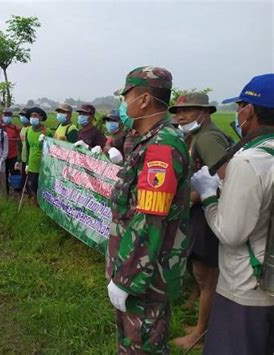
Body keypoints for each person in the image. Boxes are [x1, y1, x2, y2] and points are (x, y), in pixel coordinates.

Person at [106, 66, 190, 353]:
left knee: (141, 346)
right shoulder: (146, 141)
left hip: (145, 277)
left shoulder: (161, 146)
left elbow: (150, 217)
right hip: (136, 270)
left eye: (126, 96)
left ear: (143, 100)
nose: (123, 103)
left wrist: (127, 279)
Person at [191, 74, 274, 355]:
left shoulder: (249, 161)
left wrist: (208, 196)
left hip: (247, 288)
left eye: (239, 106)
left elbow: (231, 233)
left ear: (249, 110)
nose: (238, 114)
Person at [169, 92, 231, 349]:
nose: (180, 116)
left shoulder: (208, 139)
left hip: (208, 214)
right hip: (201, 210)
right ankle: (201, 320)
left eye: (188, 111)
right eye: (178, 112)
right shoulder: (197, 136)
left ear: (204, 113)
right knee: (201, 274)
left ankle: (201, 333)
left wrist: (194, 198)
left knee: (207, 277)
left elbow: (227, 178)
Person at [24, 107, 51, 203]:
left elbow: (52, 151)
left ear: (41, 117)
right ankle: (34, 204)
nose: (33, 117)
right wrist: (27, 163)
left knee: (43, 188)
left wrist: (46, 142)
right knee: (32, 186)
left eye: (35, 115)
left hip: (43, 167)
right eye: (31, 116)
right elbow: (27, 148)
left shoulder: (47, 132)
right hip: (32, 165)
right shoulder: (28, 131)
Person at [1, 108, 21, 194]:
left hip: (13, 155)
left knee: (15, 172)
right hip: (2, 156)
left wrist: (19, 157)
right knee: (4, 174)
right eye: (5, 115)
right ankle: (6, 191)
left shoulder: (16, 128)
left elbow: (20, 142)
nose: (7, 117)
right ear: (2, 116)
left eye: (9, 115)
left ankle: (17, 189)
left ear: (11, 117)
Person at [18, 108, 31, 192]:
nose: (22, 117)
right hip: (23, 158)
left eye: (24, 115)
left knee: (30, 180)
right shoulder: (22, 129)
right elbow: (20, 145)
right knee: (23, 177)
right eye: (21, 115)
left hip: (30, 159)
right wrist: (18, 159)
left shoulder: (31, 129)